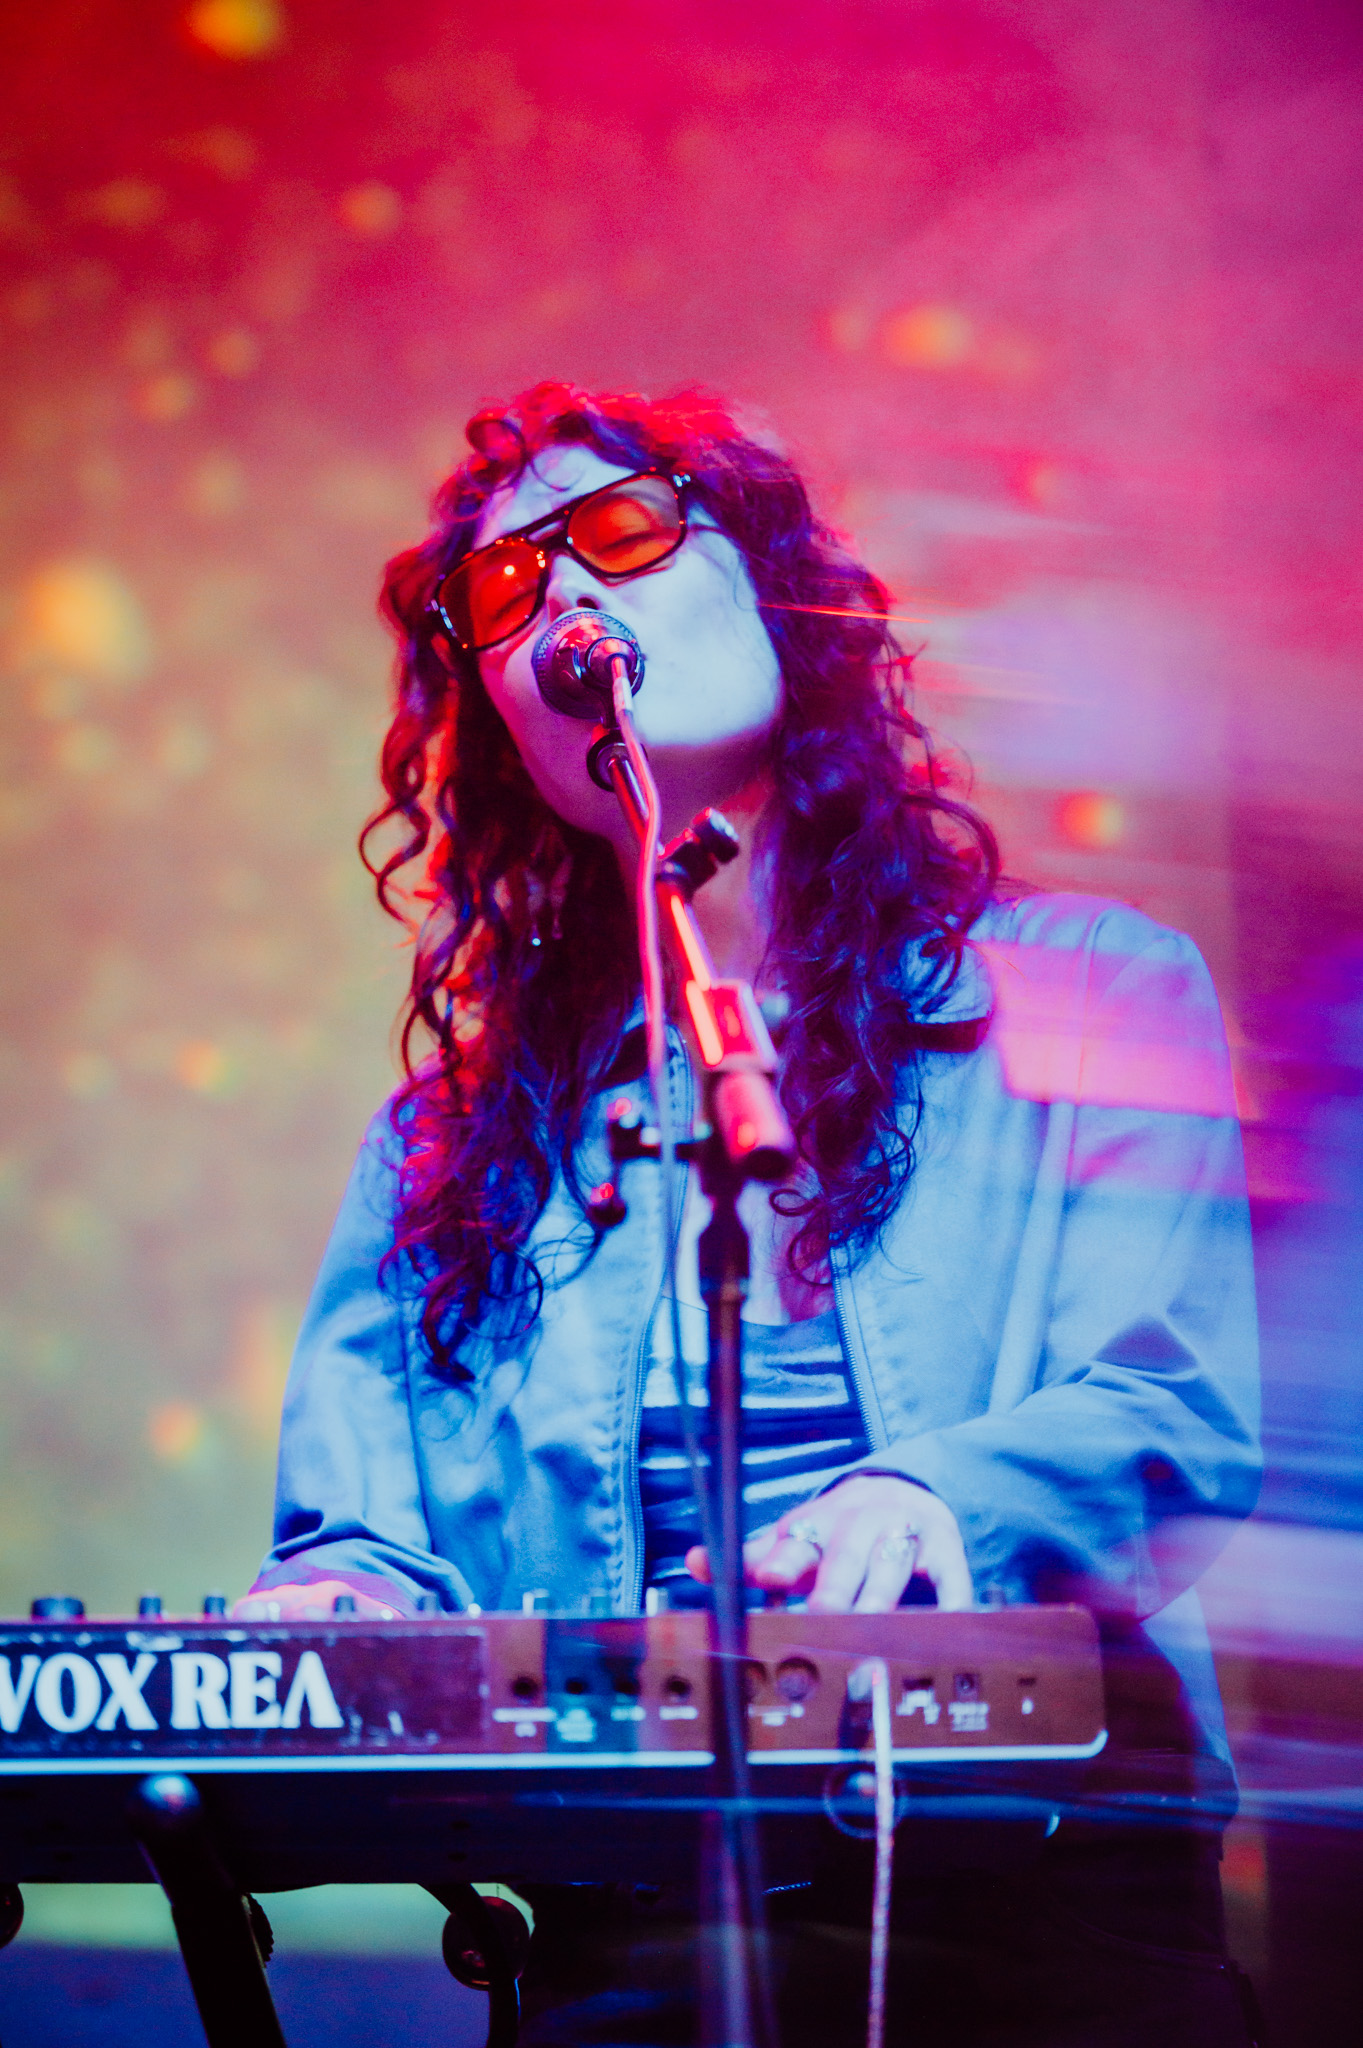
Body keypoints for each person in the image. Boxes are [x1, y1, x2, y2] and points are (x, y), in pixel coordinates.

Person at [238, 383, 1262, 2044]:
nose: (565, 591)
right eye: (502, 588)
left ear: (777, 585)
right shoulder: (445, 1150)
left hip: (1054, 1913)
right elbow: (364, 1549)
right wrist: (331, 1617)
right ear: (499, 718)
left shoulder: (1100, 993)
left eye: (624, 529)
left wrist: (933, 1499)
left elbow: (1174, 1414)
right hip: (625, 1939)